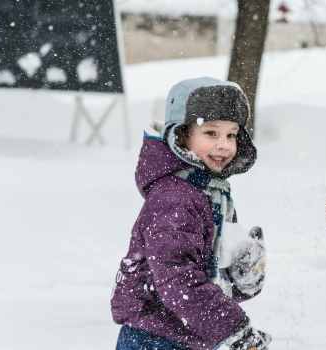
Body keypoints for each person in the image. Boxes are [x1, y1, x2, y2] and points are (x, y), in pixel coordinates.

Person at [111, 77, 271, 350]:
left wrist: (242, 278)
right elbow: (178, 281)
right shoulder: (174, 199)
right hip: (154, 337)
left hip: (188, 334)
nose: (224, 145)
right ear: (181, 136)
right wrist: (235, 330)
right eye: (211, 133)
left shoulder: (213, 193)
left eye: (231, 135)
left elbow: (208, 276)